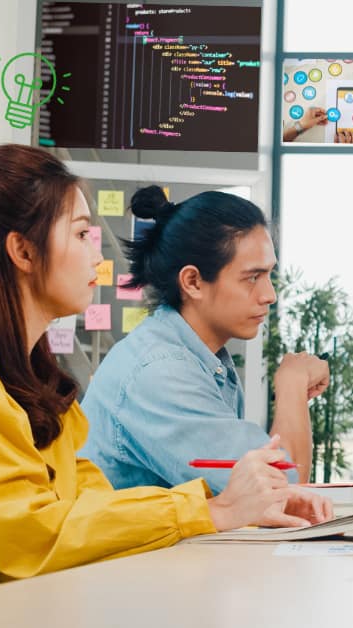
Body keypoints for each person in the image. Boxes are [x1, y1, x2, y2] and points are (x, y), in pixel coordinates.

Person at [0, 144, 331, 588]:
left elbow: (86, 501)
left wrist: (214, 506)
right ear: (23, 252)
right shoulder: (158, 368)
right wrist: (210, 508)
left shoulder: (34, 378)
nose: (97, 257)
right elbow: (33, 534)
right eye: (81, 234)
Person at [79, 186, 328, 492]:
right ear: (193, 282)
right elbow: (280, 488)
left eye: (269, 275)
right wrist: (292, 383)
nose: (269, 295)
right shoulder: (162, 372)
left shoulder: (197, 357)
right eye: (252, 277)